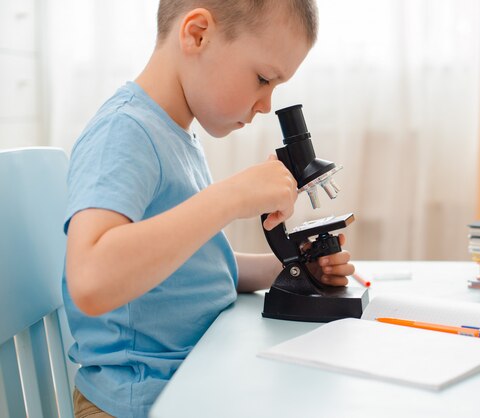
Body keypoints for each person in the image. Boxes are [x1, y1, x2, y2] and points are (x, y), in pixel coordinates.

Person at [63, 1, 355, 416]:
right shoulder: (124, 133)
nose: (266, 104)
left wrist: (288, 268)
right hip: (141, 401)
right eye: (262, 79)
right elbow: (91, 280)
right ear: (197, 34)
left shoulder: (175, 136)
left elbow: (192, 267)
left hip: (193, 379)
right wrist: (230, 196)